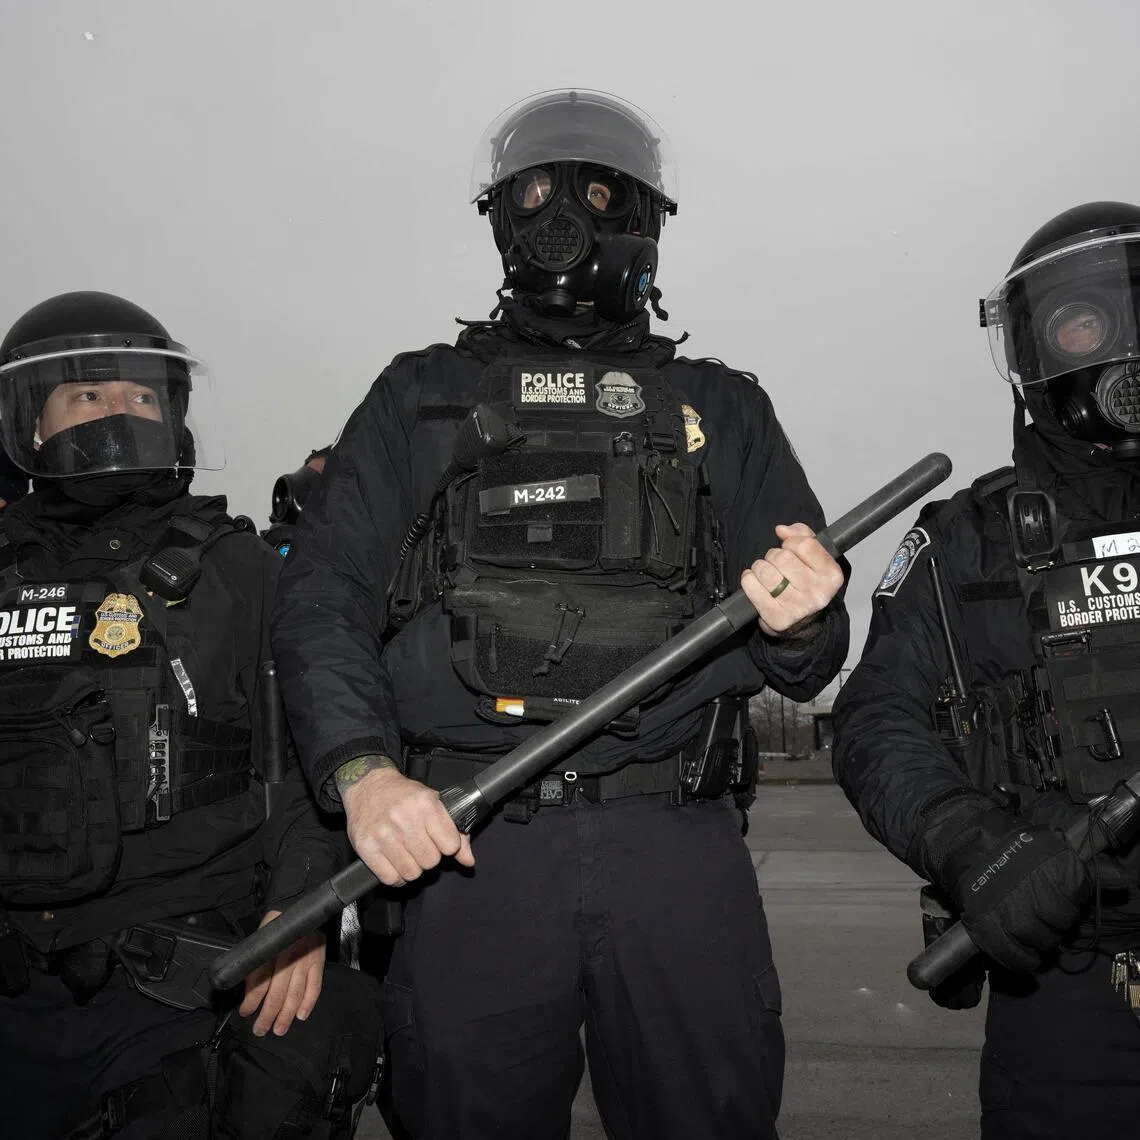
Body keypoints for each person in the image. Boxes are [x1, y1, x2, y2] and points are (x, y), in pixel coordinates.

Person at [272, 89, 848, 1140]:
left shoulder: (722, 408)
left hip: (674, 843)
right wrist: (362, 774)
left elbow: (810, 664)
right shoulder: (419, 397)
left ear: (642, 219)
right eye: (533, 197)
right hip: (469, 847)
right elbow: (322, 602)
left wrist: (806, 620)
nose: (560, 220)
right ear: (501, 220)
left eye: (591, 194)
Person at [0, 291, 382, 1138]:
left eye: (143, 396)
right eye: (88, 395)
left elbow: (311, 771)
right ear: (32, 422)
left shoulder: (242, 570)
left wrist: (300, 908)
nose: (121, 412)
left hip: (175, 992)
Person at [832, 201, 1140, 1138]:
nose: (1124, 349)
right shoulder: (967, 543)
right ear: (1032, 352)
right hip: (1075, 976)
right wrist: (972, 845)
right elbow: (876, 718)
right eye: (1087, 322)